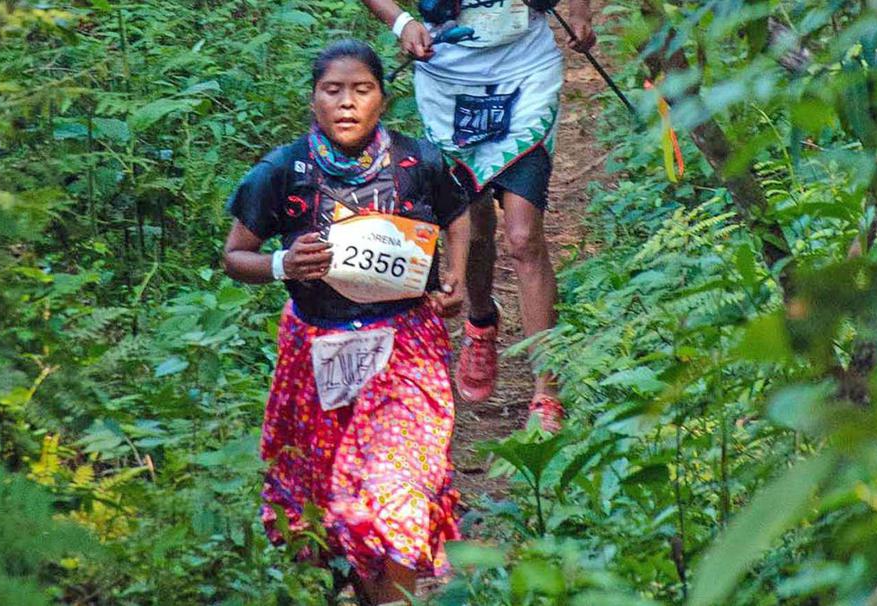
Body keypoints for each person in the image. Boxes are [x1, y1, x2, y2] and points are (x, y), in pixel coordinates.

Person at [222, 40, 469, 605]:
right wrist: (283, 264)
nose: (347, 103)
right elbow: (235, 255)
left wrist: (455, 276)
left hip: (406, 345)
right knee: (328, 498)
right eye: (333, 90)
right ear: (313, 99)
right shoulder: (283, 171)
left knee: (398, 487)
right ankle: (354, 588)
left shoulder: (418, 162)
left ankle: (394, 596)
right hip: (315, 348)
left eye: (362, 89)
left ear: (384, 98)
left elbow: (457, 216)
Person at [361, 0, 597, 432]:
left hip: (527, 73)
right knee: (472, 229)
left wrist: (579, 13)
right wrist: (402, 23)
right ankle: (482, 320)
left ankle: (546, 392)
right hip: (446, 83)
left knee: (524, 237)